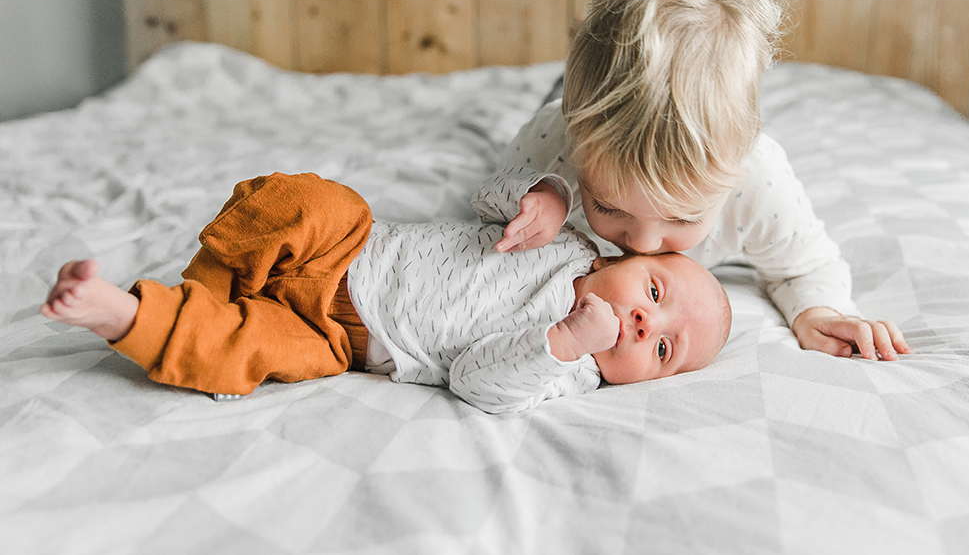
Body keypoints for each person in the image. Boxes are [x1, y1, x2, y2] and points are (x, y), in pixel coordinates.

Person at [490, 0, 913, 362]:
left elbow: (806, 266)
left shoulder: (756, 182)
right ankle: (564, 82)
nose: (641, 244)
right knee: (560, 99)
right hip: (561, 111)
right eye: (606, 206)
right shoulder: (553, 145)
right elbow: (488, 212)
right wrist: (535, 198)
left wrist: (818, 312)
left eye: (682, 217)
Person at [40, 169, 732, 414]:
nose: (646, 321)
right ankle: (208, 284)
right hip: (354, 244)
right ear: (623, 253)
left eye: (665, 347)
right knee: (309, 198)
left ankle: (125, 315)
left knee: (244, 351)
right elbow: (485, 197)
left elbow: (476, 384)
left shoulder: (569, 371)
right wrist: (539, 195)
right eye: (655, 288)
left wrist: (564, 342)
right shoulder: (570, 234)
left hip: (340, 341)